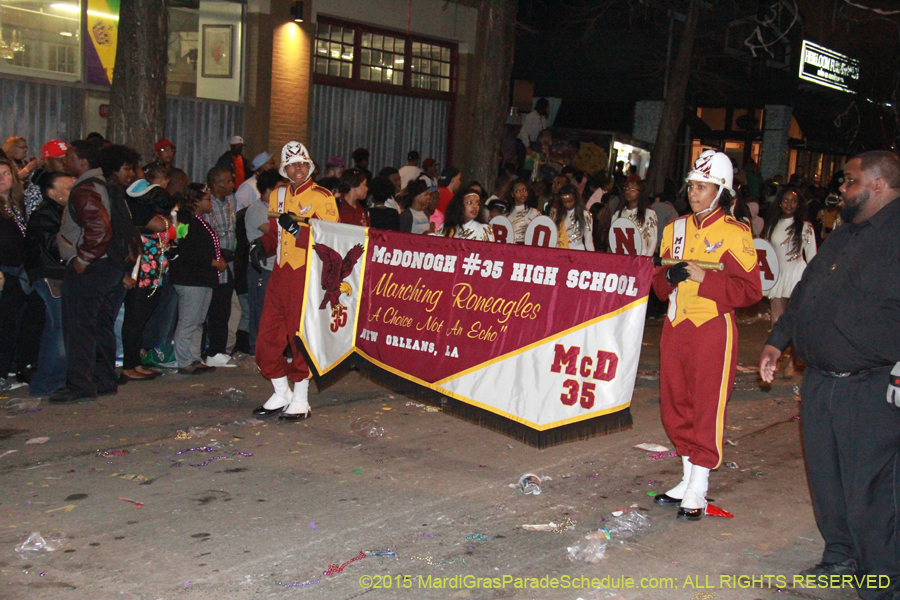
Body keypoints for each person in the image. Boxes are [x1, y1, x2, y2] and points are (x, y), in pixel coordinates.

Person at [758, 152, 900, 597]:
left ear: (877, 184)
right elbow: (806, 291)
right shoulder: (844, 233)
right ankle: (841, 556)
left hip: (872, 385)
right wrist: (777, 340)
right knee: (827, 479)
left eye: (850, 180)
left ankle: (883, 577)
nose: (841, 187)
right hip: (820, 380)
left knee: (871, 491)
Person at [651, 150, 761, 520]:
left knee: (706, 405)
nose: (693, 192)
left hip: (712, 327)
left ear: (721, 190)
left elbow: (750, 290)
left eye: (702, 186)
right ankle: (686, 477)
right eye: (692, 185)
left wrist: (704, 278)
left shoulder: (735, 232)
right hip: (675, 324)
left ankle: (700, 483)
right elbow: (657, 281)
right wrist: (668, 279)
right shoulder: (674, 228)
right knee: (674, 403)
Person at [249, 141, 338, 421]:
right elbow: (276, 233)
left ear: (309, 165)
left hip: (307, 275)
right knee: (266, 338)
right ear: (285, 169)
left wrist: (298, 231)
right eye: (291, 164)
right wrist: (261, 245)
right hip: (279, 273)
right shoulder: (277, 194)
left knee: (299, 338)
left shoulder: (323, 196)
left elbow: (331, 242)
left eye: (302, 163)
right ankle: (281, 391)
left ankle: (301, 397)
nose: (297, 169)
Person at [52, 141, 138, 403]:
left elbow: (99, 229)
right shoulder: (105, 186)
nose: (65, 161)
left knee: (80, 326)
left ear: (82, 162)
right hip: (109, 265)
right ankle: (103, 379)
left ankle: (80, 384)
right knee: (100, 324)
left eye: (69, 157)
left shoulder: (86, 189)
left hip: (93, 267)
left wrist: (83, 259)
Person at [119, 174, 176, 382]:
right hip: (141, 272)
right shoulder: (137, 211)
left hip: (153, 272)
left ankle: (135, 362)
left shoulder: (146, 212)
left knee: (141, 319)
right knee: (135, 318)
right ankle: (128, 365)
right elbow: (163, 227)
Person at [25, 171, 74, 396]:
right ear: (52, 192)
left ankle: (50, 382)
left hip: (57, 273)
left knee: (58, 327)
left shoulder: (61, 212)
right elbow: (54, 245)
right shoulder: (44, 214)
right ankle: (48, 383)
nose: (72, 193)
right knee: (59, 327)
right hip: (49, 273)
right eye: (67, 189)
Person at [169, 184, 224, 375]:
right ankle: (183, 360)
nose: (210, 203)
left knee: (198, 320)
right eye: (207, 199)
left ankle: (194, 357)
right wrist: (213, 263)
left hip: (201, 279)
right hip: (190, 278)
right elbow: (184, 250)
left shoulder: (198, 220)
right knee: (188, 320)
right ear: (195, 201)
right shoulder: (185, 219)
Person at [760, 186, 816, 328]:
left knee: (795, 318)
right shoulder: (772, 225)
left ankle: (793, 349)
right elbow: (765, 251)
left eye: (793, 201)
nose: (789, 205)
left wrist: (813, 280)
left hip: (797, 274)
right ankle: (776, 348)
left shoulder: (805, 227)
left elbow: (812, 256)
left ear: (798, 204)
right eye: (786, 200)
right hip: (777, 275)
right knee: (777, 320)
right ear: (779, 202)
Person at [244, 170, 282, 355]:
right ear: (268, 190)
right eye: (279, 188)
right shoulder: (257, 210)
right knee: (259, 311)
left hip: (277, 268)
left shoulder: (277, 208)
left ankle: (273, 351)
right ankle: (256, 351)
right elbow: (275, 234)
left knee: (276, 313)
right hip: (262, 268)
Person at [202, 166, 237, 367]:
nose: (232, 185)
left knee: (223, 309)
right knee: (209, 309)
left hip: (228, 261)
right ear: (216, 185)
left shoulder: (230, 201)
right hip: (213, 261)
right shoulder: (207, 203)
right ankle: (209, 351)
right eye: (228, 181)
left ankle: (218, 350)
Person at [0, 156, 29, 390]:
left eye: (6, 173)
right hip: (3, 272)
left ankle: (11, 368)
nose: (2, 178)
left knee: (15, 323)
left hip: (19, 272)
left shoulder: (16, 205)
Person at [609, 175, 657, 257]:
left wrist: (646, 261)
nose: (628, 192)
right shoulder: (617, 215)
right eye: (627, 189)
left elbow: (652, 241)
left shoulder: (649, 214)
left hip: (640, 259)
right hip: (621, 259)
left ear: (640, 193)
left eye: (633, 190)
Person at [23, 140, 70, 218]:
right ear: (46, 161)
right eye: (60, 160)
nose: (64, 163)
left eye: (66, 159)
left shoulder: (70, 175)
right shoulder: (39, 181)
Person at [550, 184, 593, 251]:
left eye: (570, 201)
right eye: (564, 202)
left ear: (576, 199)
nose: (567, 204)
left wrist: (592, 258)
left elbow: (588, 240)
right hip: (560, 251)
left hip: (577, 251)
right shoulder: (557, 214)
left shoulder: (585, 215)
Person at [516, 98, 549, 173]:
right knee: (524, 165)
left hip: (533, 143)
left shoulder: (543, 119)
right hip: (524, 143)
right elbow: (524, 132)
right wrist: (527, 146)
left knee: (532, 166)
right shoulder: (532, 116)